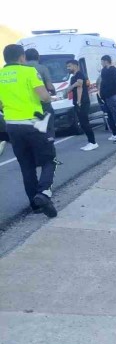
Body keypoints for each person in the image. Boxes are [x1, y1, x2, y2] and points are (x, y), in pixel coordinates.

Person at [0, 44, 57, 217]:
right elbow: (43, 95)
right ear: (22, 57)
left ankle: (35, 205)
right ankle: (43, 192)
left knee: (26, 166)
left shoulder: (1, 76)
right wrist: (48, 97)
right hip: (33, 123)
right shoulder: (29, 72)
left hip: (12, 125)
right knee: (49, 159)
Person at [65, 60, 98, 151]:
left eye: (69, 66)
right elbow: (70, 89)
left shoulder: (79, 74)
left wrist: (79, 101)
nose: (68, 68)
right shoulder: (73, 77)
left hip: (82, 102)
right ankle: (90, 142)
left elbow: (79, 86)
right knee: (83, 123)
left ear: (75, 66)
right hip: (77, 102)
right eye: (67, 66)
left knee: (85, 123)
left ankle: (93, 142)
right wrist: (72, 86)